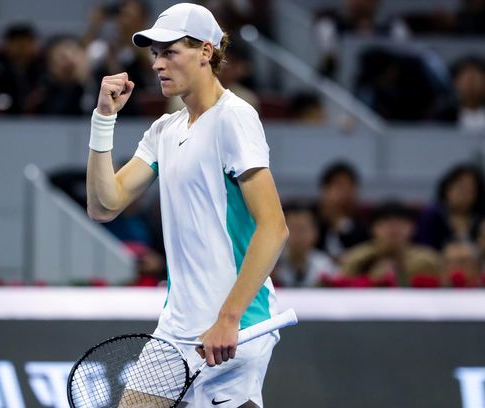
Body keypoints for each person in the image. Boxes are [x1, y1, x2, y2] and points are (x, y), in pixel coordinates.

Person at [85, 4, 288, 407]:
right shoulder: (164, 130)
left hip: (236, 326)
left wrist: (228, 319)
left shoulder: (234, 117)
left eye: (170, 52)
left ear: (205, 52)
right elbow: (104, 206)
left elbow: (273, 227)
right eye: (155, 54)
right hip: (175, 330)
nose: (158, 64)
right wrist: (103, 119)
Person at [341, 201, 441, 285]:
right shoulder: (355, 258)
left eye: (400, 222)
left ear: (413, 228)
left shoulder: (429, 260)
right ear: (373, 228)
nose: (393, 228)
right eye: (386, 223)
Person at [415, 163, 485, 250]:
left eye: (469, 190)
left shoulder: (484, 220)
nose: (463, 194)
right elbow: (424, 248)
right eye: (459, 188)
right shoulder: (431, 216)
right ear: (447, 188)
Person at [0, 23, 41, 114]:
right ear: (6, 44)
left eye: (26, 43)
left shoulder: (42, 69)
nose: (21, 49)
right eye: (17, 43)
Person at [313, 161, 369, 260]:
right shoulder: (312, 221)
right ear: (325, 190)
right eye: (339, 187)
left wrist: (343, 226)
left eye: (349, 187)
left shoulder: (364, 224)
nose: (344, 194)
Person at [272, 203, 337, 287]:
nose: (298, 235)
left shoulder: (325, 266)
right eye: (293, 229)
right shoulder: (271, 265)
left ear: (315, 232)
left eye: (303, 229)